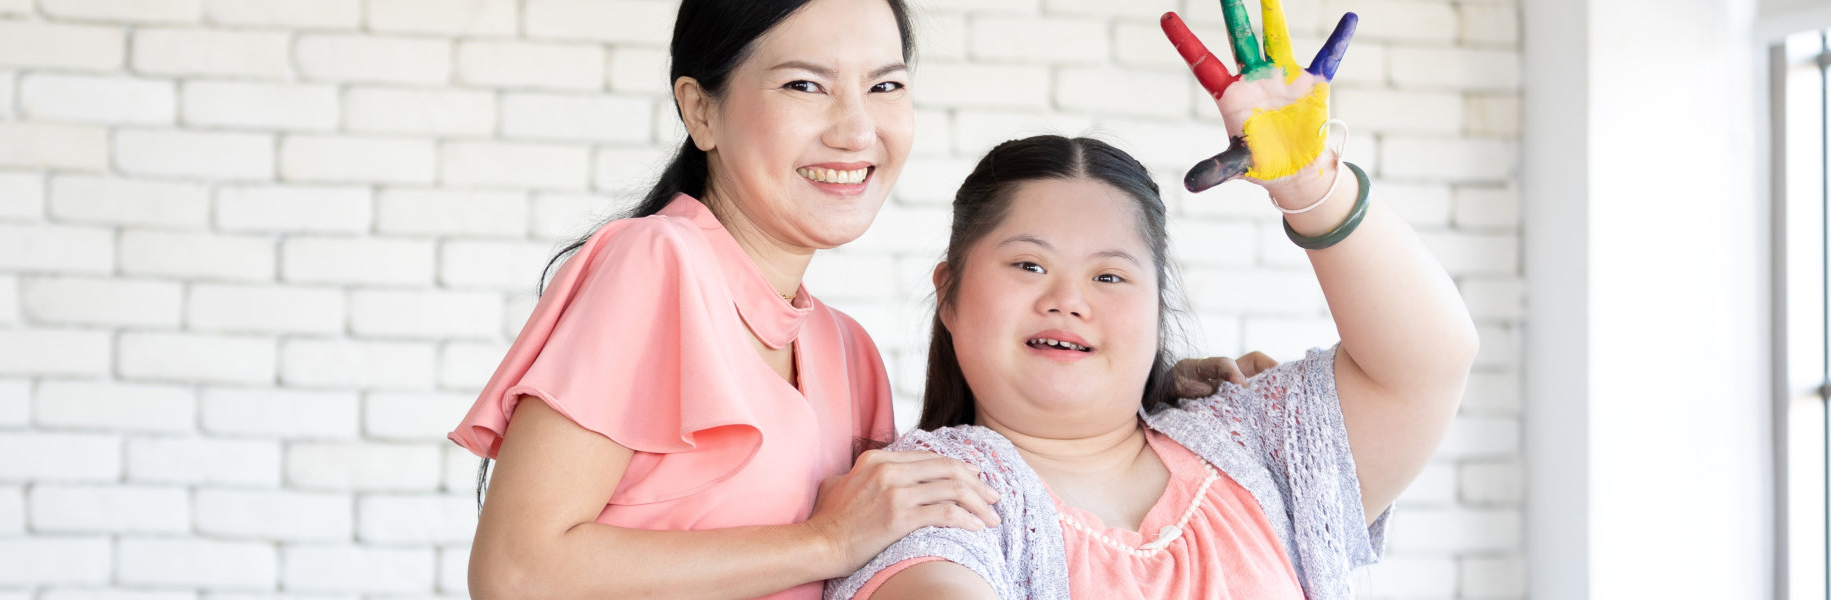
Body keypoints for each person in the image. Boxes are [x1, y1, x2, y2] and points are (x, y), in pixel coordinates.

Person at [445, 0, 1266, 597]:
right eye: (805, 86)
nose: (855, 129)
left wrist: (1148, 382)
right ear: (702, 111)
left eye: (885, 86)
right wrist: (821, 541)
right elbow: (517, 570)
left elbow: (905, 534)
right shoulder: (657, 265)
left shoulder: (848, 352)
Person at [825, 4, 1480, 599]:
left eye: (1110, 277)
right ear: (950, 294)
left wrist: (1314, 185)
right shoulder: (927, 493)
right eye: (1029, 264)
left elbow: (1428, 364)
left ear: (1155, 306)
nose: (1067, 300)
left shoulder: (1253, 441)